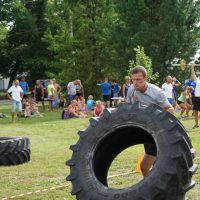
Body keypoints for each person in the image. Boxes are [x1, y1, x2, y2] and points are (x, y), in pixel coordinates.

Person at [126, 66, 174, 178]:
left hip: (158, 132)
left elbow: (170, 110)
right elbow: (128, 109)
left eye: (138, 80)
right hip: (145, 131)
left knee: (144, 166)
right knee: (155, 163)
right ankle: (161, 186)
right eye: (133, 80)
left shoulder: (157, 92)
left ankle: (151, 192)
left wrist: (155, 118)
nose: (135, 83)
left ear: (146, 78)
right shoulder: (131, 90)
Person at [191, 64, 200, 128]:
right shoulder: (197, 81)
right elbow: (193, 74)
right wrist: (192, 67)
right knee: (196, 112)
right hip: (197, 98)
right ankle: (197, 125)